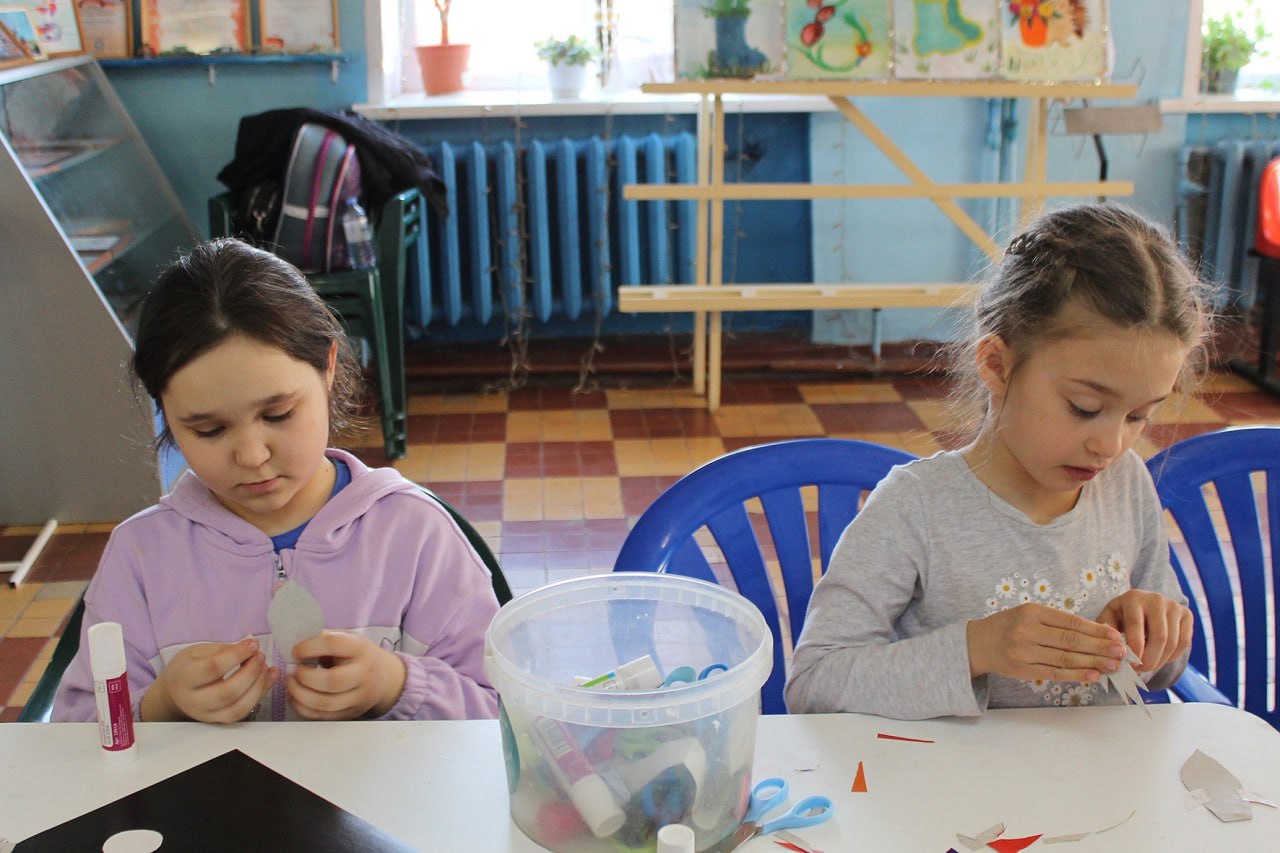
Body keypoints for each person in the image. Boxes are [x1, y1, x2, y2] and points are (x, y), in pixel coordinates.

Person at [785, 203, 1209, 719]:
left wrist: (1159, 635)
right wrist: (977, 649)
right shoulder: (915, 508)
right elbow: (814, 682)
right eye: (1084, 408)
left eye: (1139, 416)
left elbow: (1165, 668)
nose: (1111, 444)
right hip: (949, 769)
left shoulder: (1126, 486)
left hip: (1092, 768)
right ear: (997, 365)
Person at [53, 238, 500, 723]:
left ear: (328, 367)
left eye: (279, 413)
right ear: (165, 411)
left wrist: (396, 685)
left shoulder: (415, 533)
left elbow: (502, 712)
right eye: (209, 429)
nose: (251, 455)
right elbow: (76, 728)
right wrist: (161, 705)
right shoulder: (141, 555)